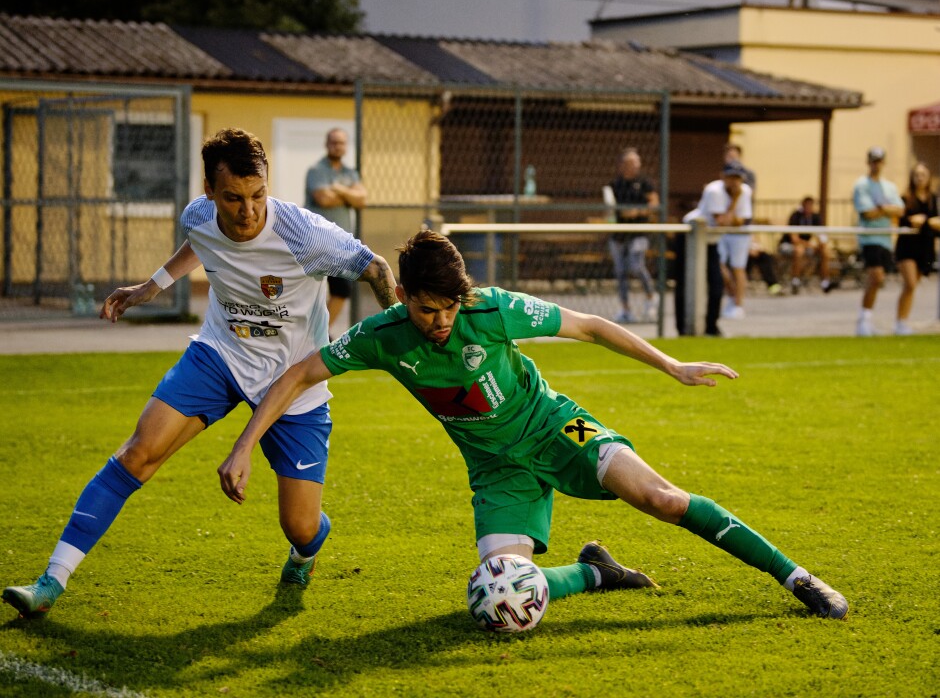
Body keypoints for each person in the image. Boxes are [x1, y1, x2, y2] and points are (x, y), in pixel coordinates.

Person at [222, 229, 849, 621]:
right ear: (403, 295)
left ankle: (797, 577)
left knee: (661, 497)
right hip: (498, 473)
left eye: (449, 307)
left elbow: (590, 326)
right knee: (500, 597)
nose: (441, 321)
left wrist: (670, 363)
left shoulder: (491, 309)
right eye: (426, 308)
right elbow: (301, 373)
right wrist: (245, 443)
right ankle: (594, 572)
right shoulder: (382, 338)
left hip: (558, 427)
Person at [2, 128, 398, 618]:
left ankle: (305, 550)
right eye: (233, 198)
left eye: (258, 195)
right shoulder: (199, 214)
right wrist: (152, 285)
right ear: (210, 190)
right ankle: (50, 582)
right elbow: (200, 242)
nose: (248, 211)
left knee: (300, 526)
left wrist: (400, 332)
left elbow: (377, 268)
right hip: (220, 355)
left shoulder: (306, 234)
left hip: (293, 381)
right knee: (137, 454)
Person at [306, 127, 369, 331]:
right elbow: (323, 199)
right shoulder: (316, 170)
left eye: (341, 142)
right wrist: (349, 194)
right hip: (315, 241)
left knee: (342, 291)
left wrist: (338, 189)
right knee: (310, 291)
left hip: (341, 244)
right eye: (333, 142)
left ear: (346, 146)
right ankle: (307, 334)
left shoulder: (350, 173)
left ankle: (320, 332)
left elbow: (362, 200)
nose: (337, 146)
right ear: (327, 144)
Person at [691, 161, 753, 335]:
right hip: (698, 236)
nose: (734, 182)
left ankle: (735, 306)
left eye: (738, 178)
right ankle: (698, 326)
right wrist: (733, 202)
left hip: (720, 235)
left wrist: (732, 218)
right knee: (715, 275)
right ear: (722, 177)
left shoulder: (745, 191)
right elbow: (723, 221)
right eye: (731, 177)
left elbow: (744, 220)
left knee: (735, 269)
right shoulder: (714, 190)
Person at [603, 147, 659, 323]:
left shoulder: (644, 183)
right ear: (623, 165)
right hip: (618, 234)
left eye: (637, 162)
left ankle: (651, 297)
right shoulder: (614, 185)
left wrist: (636, 212)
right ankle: (625, 309)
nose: (635, 166)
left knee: (636, 265)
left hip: (639, 233)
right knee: (620, 272)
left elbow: (654, 204)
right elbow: (609, 209)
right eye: (631, 163)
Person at [852, 147, 904, 337]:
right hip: (869, 238)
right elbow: (868, 213)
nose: (876, 164)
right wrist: (885, 210)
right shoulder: (861, 185)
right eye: (873, 161)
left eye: (879, 161)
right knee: (876, 276)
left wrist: (882, 209)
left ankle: (867, 317)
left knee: (877, 280)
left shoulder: (889, 187)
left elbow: (899, 210)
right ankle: (863, 319)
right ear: (868, 162)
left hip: (885, 238)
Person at [894, 162, 940, 335]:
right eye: (917, 174)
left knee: (914, 285)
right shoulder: (906, 198)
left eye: (923, 175)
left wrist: (925, 221)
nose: (920, 178)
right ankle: (900, 321)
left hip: (924, 245)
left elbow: (935, 221)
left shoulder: (932, 198)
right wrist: (921, 220)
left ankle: (903, 320)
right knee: (910, 283)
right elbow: (905, 220)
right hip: (907, 246)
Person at [779, 196, 833, 294]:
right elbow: (794, 239)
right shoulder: (795, 216)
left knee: (825, 252)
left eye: (811, 206)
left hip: (806, 246)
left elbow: (821, 235)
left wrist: (821, 244)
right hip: (788, 244)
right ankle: (795, 281)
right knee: (799, 251)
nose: (809, 208)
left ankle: (825, 282)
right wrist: (810, 245)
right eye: (806, 205)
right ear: (802, 206)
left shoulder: (815, 217)